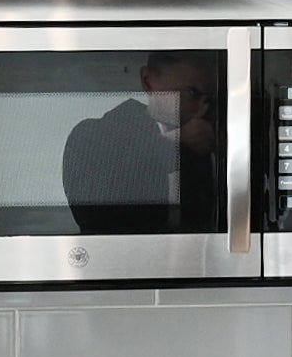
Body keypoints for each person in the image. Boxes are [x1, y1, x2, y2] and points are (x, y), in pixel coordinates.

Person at [60, 56, 219, 230]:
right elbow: (91, 215)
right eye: (191, 93)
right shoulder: (90, 135)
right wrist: (173, 144)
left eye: (209, 101)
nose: (203, 110)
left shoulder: (203, 147)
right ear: (148, 81)